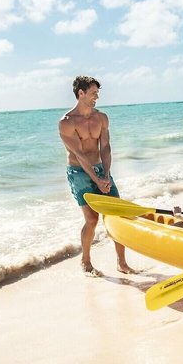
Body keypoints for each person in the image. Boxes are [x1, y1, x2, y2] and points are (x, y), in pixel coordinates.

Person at [59, 75, 133, 276]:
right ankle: (86, 261)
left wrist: (106, 175)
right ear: (81, 93)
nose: (97, 97)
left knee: (116, 214)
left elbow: (105, 147)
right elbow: (79, 154)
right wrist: (96, 181)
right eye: (93, 93)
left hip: (100, 169)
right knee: (92, 219)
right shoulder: (66, 123)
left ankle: (121, 263)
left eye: (97, 93)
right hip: (79, 173)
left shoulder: (101, 118)